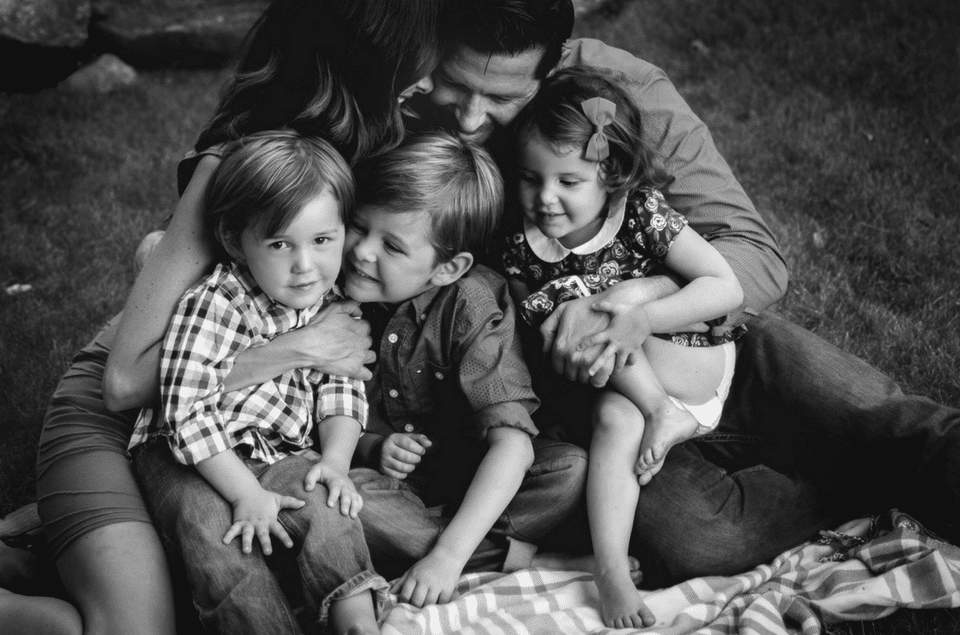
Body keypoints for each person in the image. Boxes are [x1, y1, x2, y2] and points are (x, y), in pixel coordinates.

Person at [410, 0, 960, 589]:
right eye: (453, 83)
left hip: (716, 347)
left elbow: (754, 256)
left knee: (894, 425)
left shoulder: (619, 100)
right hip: (604, 407)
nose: (469, 119)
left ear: (551, 72)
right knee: (699, 541)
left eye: (500, 99)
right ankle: (846, 480)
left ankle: (871, 456)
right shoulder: (404, 101)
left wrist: (632, 300)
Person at [34, 1, 442, 633]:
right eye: (415, 69)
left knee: (335, 536)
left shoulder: (348, 162)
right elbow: (125, 385)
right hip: (128, 416)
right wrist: (305, 346)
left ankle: (47, 538)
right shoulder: (241, 168)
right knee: (133, 626)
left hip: (237, 437)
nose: (430, 84)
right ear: (368, 69)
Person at [501, 67, 744, 628]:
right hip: (620, 393)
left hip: (690, 362)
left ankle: (663, 410)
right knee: (614, 419)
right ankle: (609, 571)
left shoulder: (639, 212)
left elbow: (724, 285)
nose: (545, 198)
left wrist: (638, 317)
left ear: (608, 173)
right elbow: (540, 340)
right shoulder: (519, 246)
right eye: (530, 179)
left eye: (568, 181)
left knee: (578, 303)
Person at [127, 131, 388, 634]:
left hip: (275, 450)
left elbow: (341, 387)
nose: (305, 265)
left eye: (322, 240)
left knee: (327, 506)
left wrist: (335, 462)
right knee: (219, 540)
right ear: (235, 241)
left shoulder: (327, 300)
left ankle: (356, 619)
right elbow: (186, 411)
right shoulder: (215, 303)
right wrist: (246, 493)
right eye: (279, 244)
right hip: (183, 453)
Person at [342, 131, 589, 608]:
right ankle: (517, 557)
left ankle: (451, 547)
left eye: (392, 246)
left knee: (569, 469)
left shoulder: (471, 303)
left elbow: (513, 445)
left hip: (471, 472)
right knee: (347, 502)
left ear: (448, 268)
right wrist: (373, 446)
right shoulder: (330, 297)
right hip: (388, 488)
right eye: (357, 226)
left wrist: (449, 558)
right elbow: (311, 417)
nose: (361, 252)